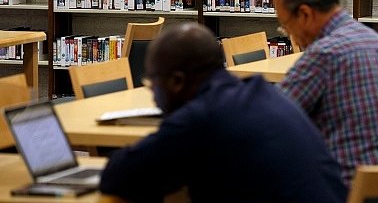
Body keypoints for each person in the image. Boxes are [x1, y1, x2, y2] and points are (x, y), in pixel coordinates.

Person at [99, 23, 348, 202]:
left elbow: (118, 176)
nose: (153, 92)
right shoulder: (262, 93)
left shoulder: (201, 117)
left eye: (153, 82)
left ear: (176, 81)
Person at [274, 0, 378, 190]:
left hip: (346, 190)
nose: (290, 34)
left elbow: (272, 118)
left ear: (306, 14)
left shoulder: (325, 54)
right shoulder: (375, 40)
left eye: (285, 25)